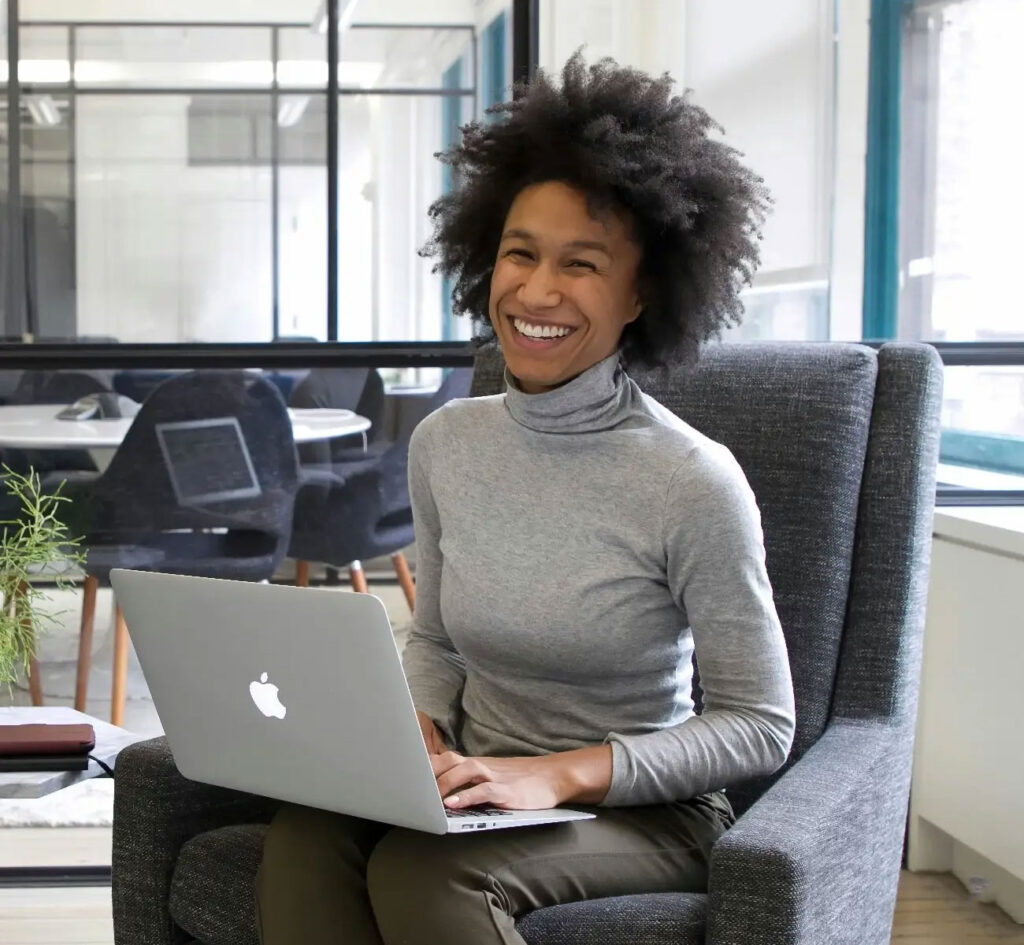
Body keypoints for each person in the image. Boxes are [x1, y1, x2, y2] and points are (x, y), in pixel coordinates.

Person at [256, 52, 796, 945]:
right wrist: (422, 731)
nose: (537, 292)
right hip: (478, 782)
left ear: (643, 292)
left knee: (424, 870)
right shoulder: (446, 443)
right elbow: (434, 639)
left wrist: (558, 775)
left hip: (645, 809)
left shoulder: (691, 478)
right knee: (307, 837)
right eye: (520, 253)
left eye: (581, 264)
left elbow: (758, 725)